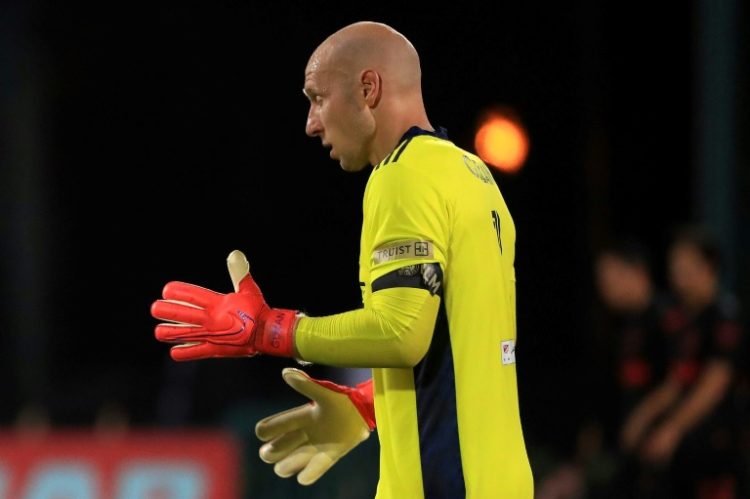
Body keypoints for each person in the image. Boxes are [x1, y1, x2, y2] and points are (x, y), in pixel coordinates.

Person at [151, 20, 533, 498]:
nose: (311, 123)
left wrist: (272, 329)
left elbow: (400, 333)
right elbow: (465, 345)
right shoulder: (473, 175)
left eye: (317, 98)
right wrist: (370, 404)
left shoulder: (402, 177)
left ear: (367, 88)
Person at [619, 225, 746, 498]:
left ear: (708, 267)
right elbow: (677, 381)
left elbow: (714, 384)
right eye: (675, 269)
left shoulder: (725, 317)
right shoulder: (683, 320)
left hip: (722, 449)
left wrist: (673, 430)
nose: (679, 277)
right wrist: (643, 416)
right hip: (688, 454)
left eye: (686, 269)